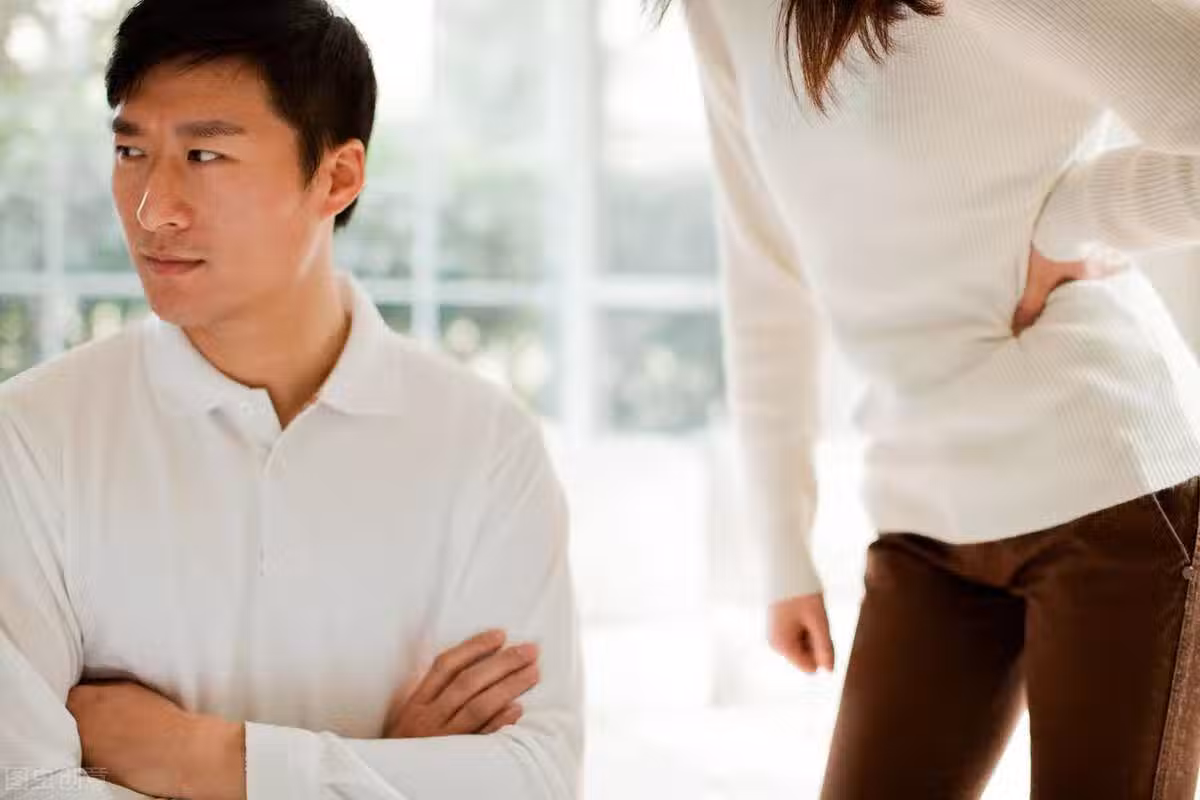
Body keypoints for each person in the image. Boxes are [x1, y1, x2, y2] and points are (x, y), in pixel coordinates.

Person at [0, 1, 582, 798]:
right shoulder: (30, 436)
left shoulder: (485, 444)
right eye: (131, 150)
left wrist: (200, 758)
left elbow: (534, 780)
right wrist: (384, 768)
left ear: (337, 177)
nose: (151, 209)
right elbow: (24, 783)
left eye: (204, 154)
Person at [668, 0, 1200, 796]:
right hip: (923, 509)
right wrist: (781, 546)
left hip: (1109, 487)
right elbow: (764, 273)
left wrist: (1082, 219)